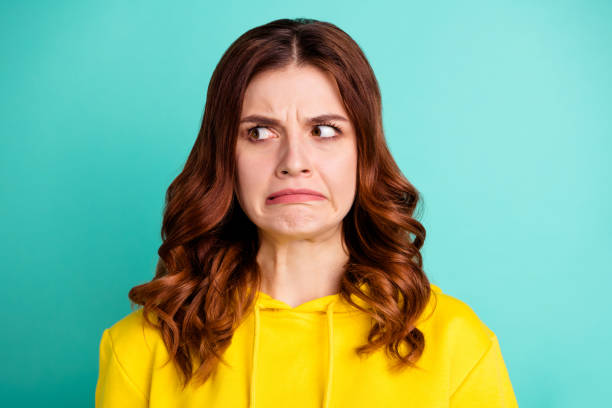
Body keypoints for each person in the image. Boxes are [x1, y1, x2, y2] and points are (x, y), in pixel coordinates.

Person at [95, 18, 519, 407]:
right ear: (225, 155)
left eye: (324, 130)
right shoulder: (142, 348)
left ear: (363, 153)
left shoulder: (456, 343)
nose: (293, 161)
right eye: (259, 132)